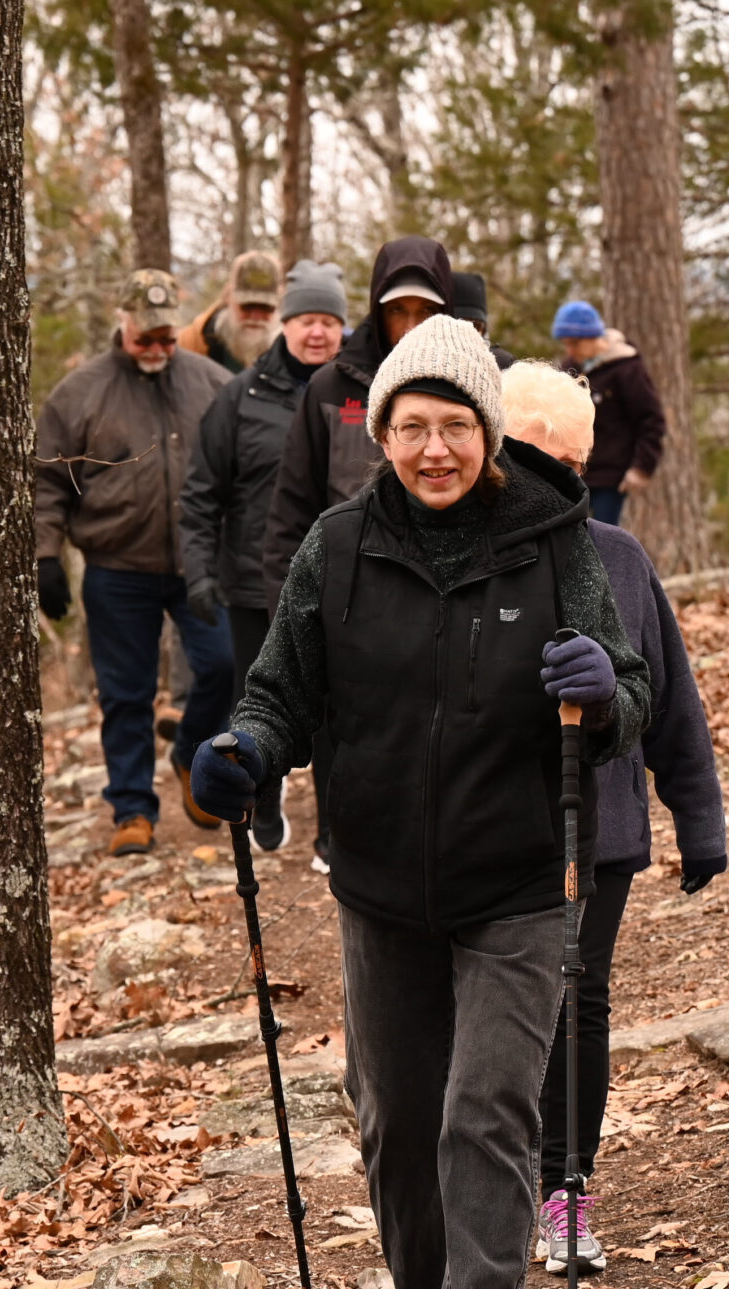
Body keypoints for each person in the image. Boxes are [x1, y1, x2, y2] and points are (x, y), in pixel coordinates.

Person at [192, 316, 651, 1289]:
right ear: (381, 434)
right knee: (395, 1121)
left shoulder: (552, 542)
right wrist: (243, 747)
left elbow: (626, 695)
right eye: (411, 428)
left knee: (486, 1110)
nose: (433, 449)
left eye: (454, 427)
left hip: (517, 878)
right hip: (382, 878)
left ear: (488, 434)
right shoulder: (339, 551)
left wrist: (600, 691)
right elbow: (280, 692)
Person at [498, 361, 724, 1276]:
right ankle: (492, 1189)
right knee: (505, 1010)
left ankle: (567, 1188)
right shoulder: (477, 562)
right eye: (530, 457)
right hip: (501, 828)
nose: (555, 477)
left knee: (577, 1003)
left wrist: (698, 818)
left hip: (606, 832)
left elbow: (672, 700)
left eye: (568, 460)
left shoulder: (621, 560)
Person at [259, 235, 456, 872]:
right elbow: (291, 506)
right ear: (377, 309)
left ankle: (429, 831)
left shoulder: (477, 377)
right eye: (400, 311)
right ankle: (337, 835)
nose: (411, 325)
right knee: (341, 715)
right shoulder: (329, 386)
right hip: (347, 580)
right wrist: (284, 602)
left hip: (446, 576)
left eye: (426, 312)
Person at [33, 270, 232, 857]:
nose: (157, 349)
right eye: (145, 337)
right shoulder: (78, 394)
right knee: (126, 692)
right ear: (121, 324)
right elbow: (48, 484)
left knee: (223, 663)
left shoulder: (214, 384)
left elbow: (243, 470)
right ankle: (131, 808)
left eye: (167, 337)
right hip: (117, 567)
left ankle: (190, 756)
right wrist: (46, 555)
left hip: (200, 559)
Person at [178, 261, 347, 852]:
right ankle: (263, 805)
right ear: (285, 323)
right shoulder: (240, 396)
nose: (317, 333)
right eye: (305, 319)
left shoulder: (360, 393)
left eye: (329, 321)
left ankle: (334, 830)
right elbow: (202, 493)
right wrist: (198, 573)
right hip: (254, 584)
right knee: (260, 702)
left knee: (337, 707)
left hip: (342, 579)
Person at [551, 299, 667, 527]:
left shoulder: (627, 369)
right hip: (574, 473)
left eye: (574, 343)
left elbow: (651, 420)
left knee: (605, 542)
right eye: (566, 344)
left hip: (611, 478)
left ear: (592, 337)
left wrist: (641, 468)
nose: (570, 350)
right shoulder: (568, 369)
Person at [177, 251, 283, 373]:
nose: (255, 316)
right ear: (227, 297)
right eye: (247, 306)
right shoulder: (192, 343)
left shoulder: (291, 349)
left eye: (266, 307)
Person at [447, 271, 516, 368]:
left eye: (476, 326)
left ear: (484, 330)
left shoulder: (502, 365)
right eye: (459, 324)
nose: (469, 331)